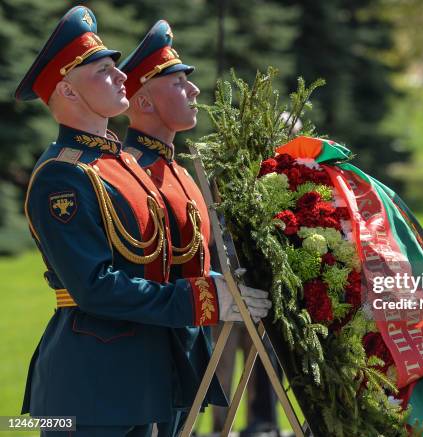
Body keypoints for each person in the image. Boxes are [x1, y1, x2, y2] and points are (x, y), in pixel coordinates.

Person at [16, 7, 270, 436]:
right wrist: (202, 299)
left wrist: (231, 286)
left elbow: (169, 261)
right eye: (103, 71)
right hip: (92, 383)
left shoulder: (120, 163)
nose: (120, 78)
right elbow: (94, 286)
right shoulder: (63, 174)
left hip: (152, 372)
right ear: (68, 91)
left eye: (116, 68)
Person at [117, 20, 275, 436]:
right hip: (137, 361)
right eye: (178, 82)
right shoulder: (128, 174)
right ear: (144, 102)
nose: (195, 91)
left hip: (180, 357)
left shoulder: (180, 172)